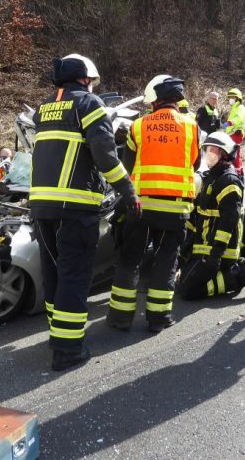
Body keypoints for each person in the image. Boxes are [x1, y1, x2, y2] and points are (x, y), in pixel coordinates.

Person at [30, 53, 139, 371]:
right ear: (86, 78)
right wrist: (128, 191)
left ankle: (57, 334)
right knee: (74, 277)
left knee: (53, 273)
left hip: (42, 206)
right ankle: (68, 351)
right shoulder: (90, 105)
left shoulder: (44, 107)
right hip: (74, 208)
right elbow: (105, 156)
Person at [106, 74, 200, 332]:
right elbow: (196, 163)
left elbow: (126, 166)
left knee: (130, 258)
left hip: (141, 205)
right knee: (166, 261)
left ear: (156, 99)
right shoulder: (192, 126)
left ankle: (120, 318)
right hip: (176, 207)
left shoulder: (138, 126)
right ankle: (158, 319)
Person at [176, 131, 245, 300]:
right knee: (177, 282)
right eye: (207, 149)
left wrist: (216, 255)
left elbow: (228, 222)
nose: (208, 154)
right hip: (203, 248)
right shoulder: (209, 177)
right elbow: (195, 217)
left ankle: (237, 275)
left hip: (220, 252)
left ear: (224, 154)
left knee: (186, 290)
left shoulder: (229, 180)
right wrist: (184, 249)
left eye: (213, 150)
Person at [223, 88, 245, 176]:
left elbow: (238, 119)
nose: (230, 99)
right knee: (232, 153)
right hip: (232, 134)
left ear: (237, 98)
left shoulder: (240, 108)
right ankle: (235, 170)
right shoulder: (235, 108)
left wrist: (229, 123)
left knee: (235, 153)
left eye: (232, 97)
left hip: (236, 133)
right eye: (229, 97)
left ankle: (238, 172)